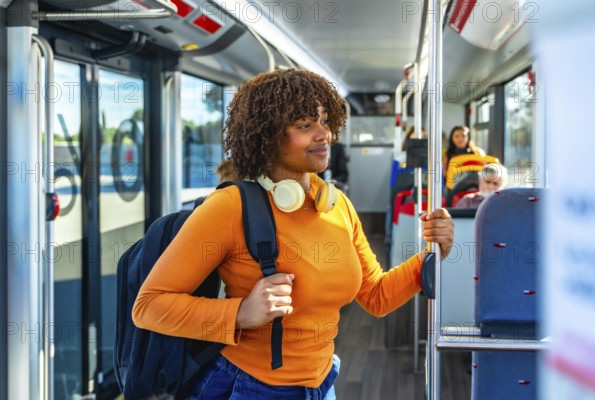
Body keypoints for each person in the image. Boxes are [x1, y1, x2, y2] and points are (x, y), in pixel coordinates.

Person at [132, 69, 454, 400]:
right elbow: (149, 306)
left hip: (323, 380)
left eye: (325, 121)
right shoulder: (230, 206)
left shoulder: (336, 203)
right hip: (248, 386)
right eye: (304, 125)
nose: (323, 134)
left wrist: (432, 252)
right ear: (267, 136)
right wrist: (241, 313)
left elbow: (376, 296)